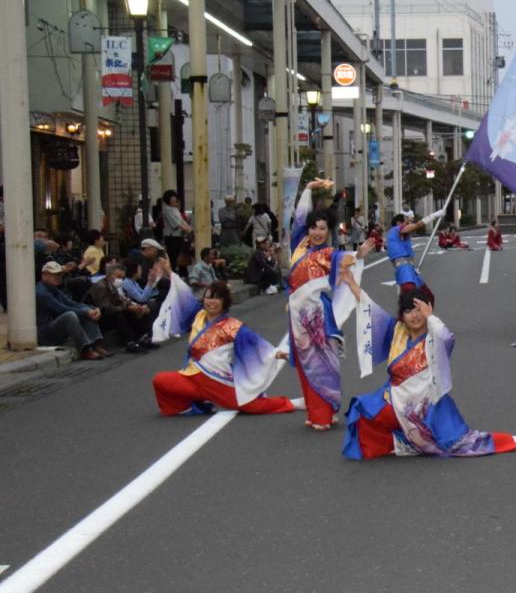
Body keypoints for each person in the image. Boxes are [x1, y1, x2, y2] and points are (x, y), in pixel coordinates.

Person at [341, 282, 516, 459]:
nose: (415, 315)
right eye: (409, 310)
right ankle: (400, 443)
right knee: (363, 411)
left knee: (461, 444)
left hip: (428, 404)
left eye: (419, 309)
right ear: (402, 315)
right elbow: (370, 310)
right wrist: (351, 283)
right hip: (394, 399)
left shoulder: (434, 337)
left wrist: (431, 317)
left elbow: (447, 337)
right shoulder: (397, 332)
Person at [282, 179, 371, 431]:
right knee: (303, 362)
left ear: (328, 230)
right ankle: (315, 410)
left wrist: (360, 254)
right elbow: (298, 219)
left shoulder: (330, 253)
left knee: (321, 362)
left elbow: (347, 259)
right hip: (297, 314)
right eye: (313, 228)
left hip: (318, 315)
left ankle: (324, 412)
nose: (316, 232)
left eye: (322, 228)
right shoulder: (299, 245)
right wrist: (308, 189)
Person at [150, 278, 297, 417]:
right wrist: (168, 271)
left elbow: (254, 343)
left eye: (216, 298)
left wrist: (277, 353)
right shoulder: (199, 315)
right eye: (208, 297)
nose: (211, 302)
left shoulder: (231, 325)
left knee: (251, 406)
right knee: (160, 381)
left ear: (224, 301)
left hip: (216, 380)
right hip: (191, 377)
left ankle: (292, 403)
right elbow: (183, 299)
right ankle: (188, 407)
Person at [36, 261, 106, 360]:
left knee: (85, 310)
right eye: (54, 274)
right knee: (70, 315)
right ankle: (85, 349)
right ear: (44, 275)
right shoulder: (42, 293)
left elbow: (71, 303)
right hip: (46, 333)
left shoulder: (53, 289)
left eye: (59, 274)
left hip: (54, 326)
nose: (58, 277)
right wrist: (86, 312)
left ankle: (96, 344)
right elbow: (61, 308)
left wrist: (91, 309)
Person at [86, 260, 154, 353]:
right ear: (110, 275)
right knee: (119, 314)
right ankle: (129, 343)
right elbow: (106, 307)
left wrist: (134, 306)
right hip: (98, 316)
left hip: (108, 312)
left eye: (122, 277)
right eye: (118, 277)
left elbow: (121, 300)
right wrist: (127, 308)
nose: (120, 280)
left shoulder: (112, 286)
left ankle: (142, 338)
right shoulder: (101, 286)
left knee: (136, 310)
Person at [386, 210, 439, 294]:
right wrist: (434, 215)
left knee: (425, 294)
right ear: (399, 223)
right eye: (406, 223)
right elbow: (417, 225)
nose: (408, 225)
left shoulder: (396, 235)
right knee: (411, 294)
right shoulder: (397, 230)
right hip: (404, 268)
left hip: (409, 268)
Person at [160, 190, 192, 266]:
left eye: (174, 197)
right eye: (172, 197)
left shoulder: (175, 209)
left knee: (178, 254)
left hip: (178, 235)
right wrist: (186, 229)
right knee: (172, 255)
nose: (174, 199)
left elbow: (181, 220)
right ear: (168, 198)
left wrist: (189, 228)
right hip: (171, 236)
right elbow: (175, 223)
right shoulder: (166, 209)